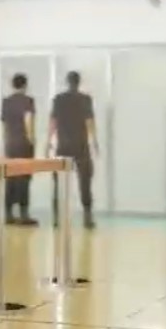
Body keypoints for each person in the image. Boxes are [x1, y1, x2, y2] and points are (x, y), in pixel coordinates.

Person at [49, 71, 97, 229]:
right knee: (85, 181)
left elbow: (53, 122)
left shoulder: (58, 99)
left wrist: (48, 142)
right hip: (81, 145)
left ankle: (57, 218)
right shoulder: (85, 99)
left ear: (67, 82)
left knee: (59, 183)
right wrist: (94, 142)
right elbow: (89, 122)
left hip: (63, 145)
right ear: (79, 82)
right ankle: (87, 217)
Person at [0, 73, 38, 226]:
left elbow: (4, 125)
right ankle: (23, 214)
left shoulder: (6, 102)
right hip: (23, 144)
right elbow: (28, 120)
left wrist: (6, 143)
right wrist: (31, 139)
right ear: (25, 85)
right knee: (24, 179)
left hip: (10, 144)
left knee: (10, 178)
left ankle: (8, 214)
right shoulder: (28, 101)